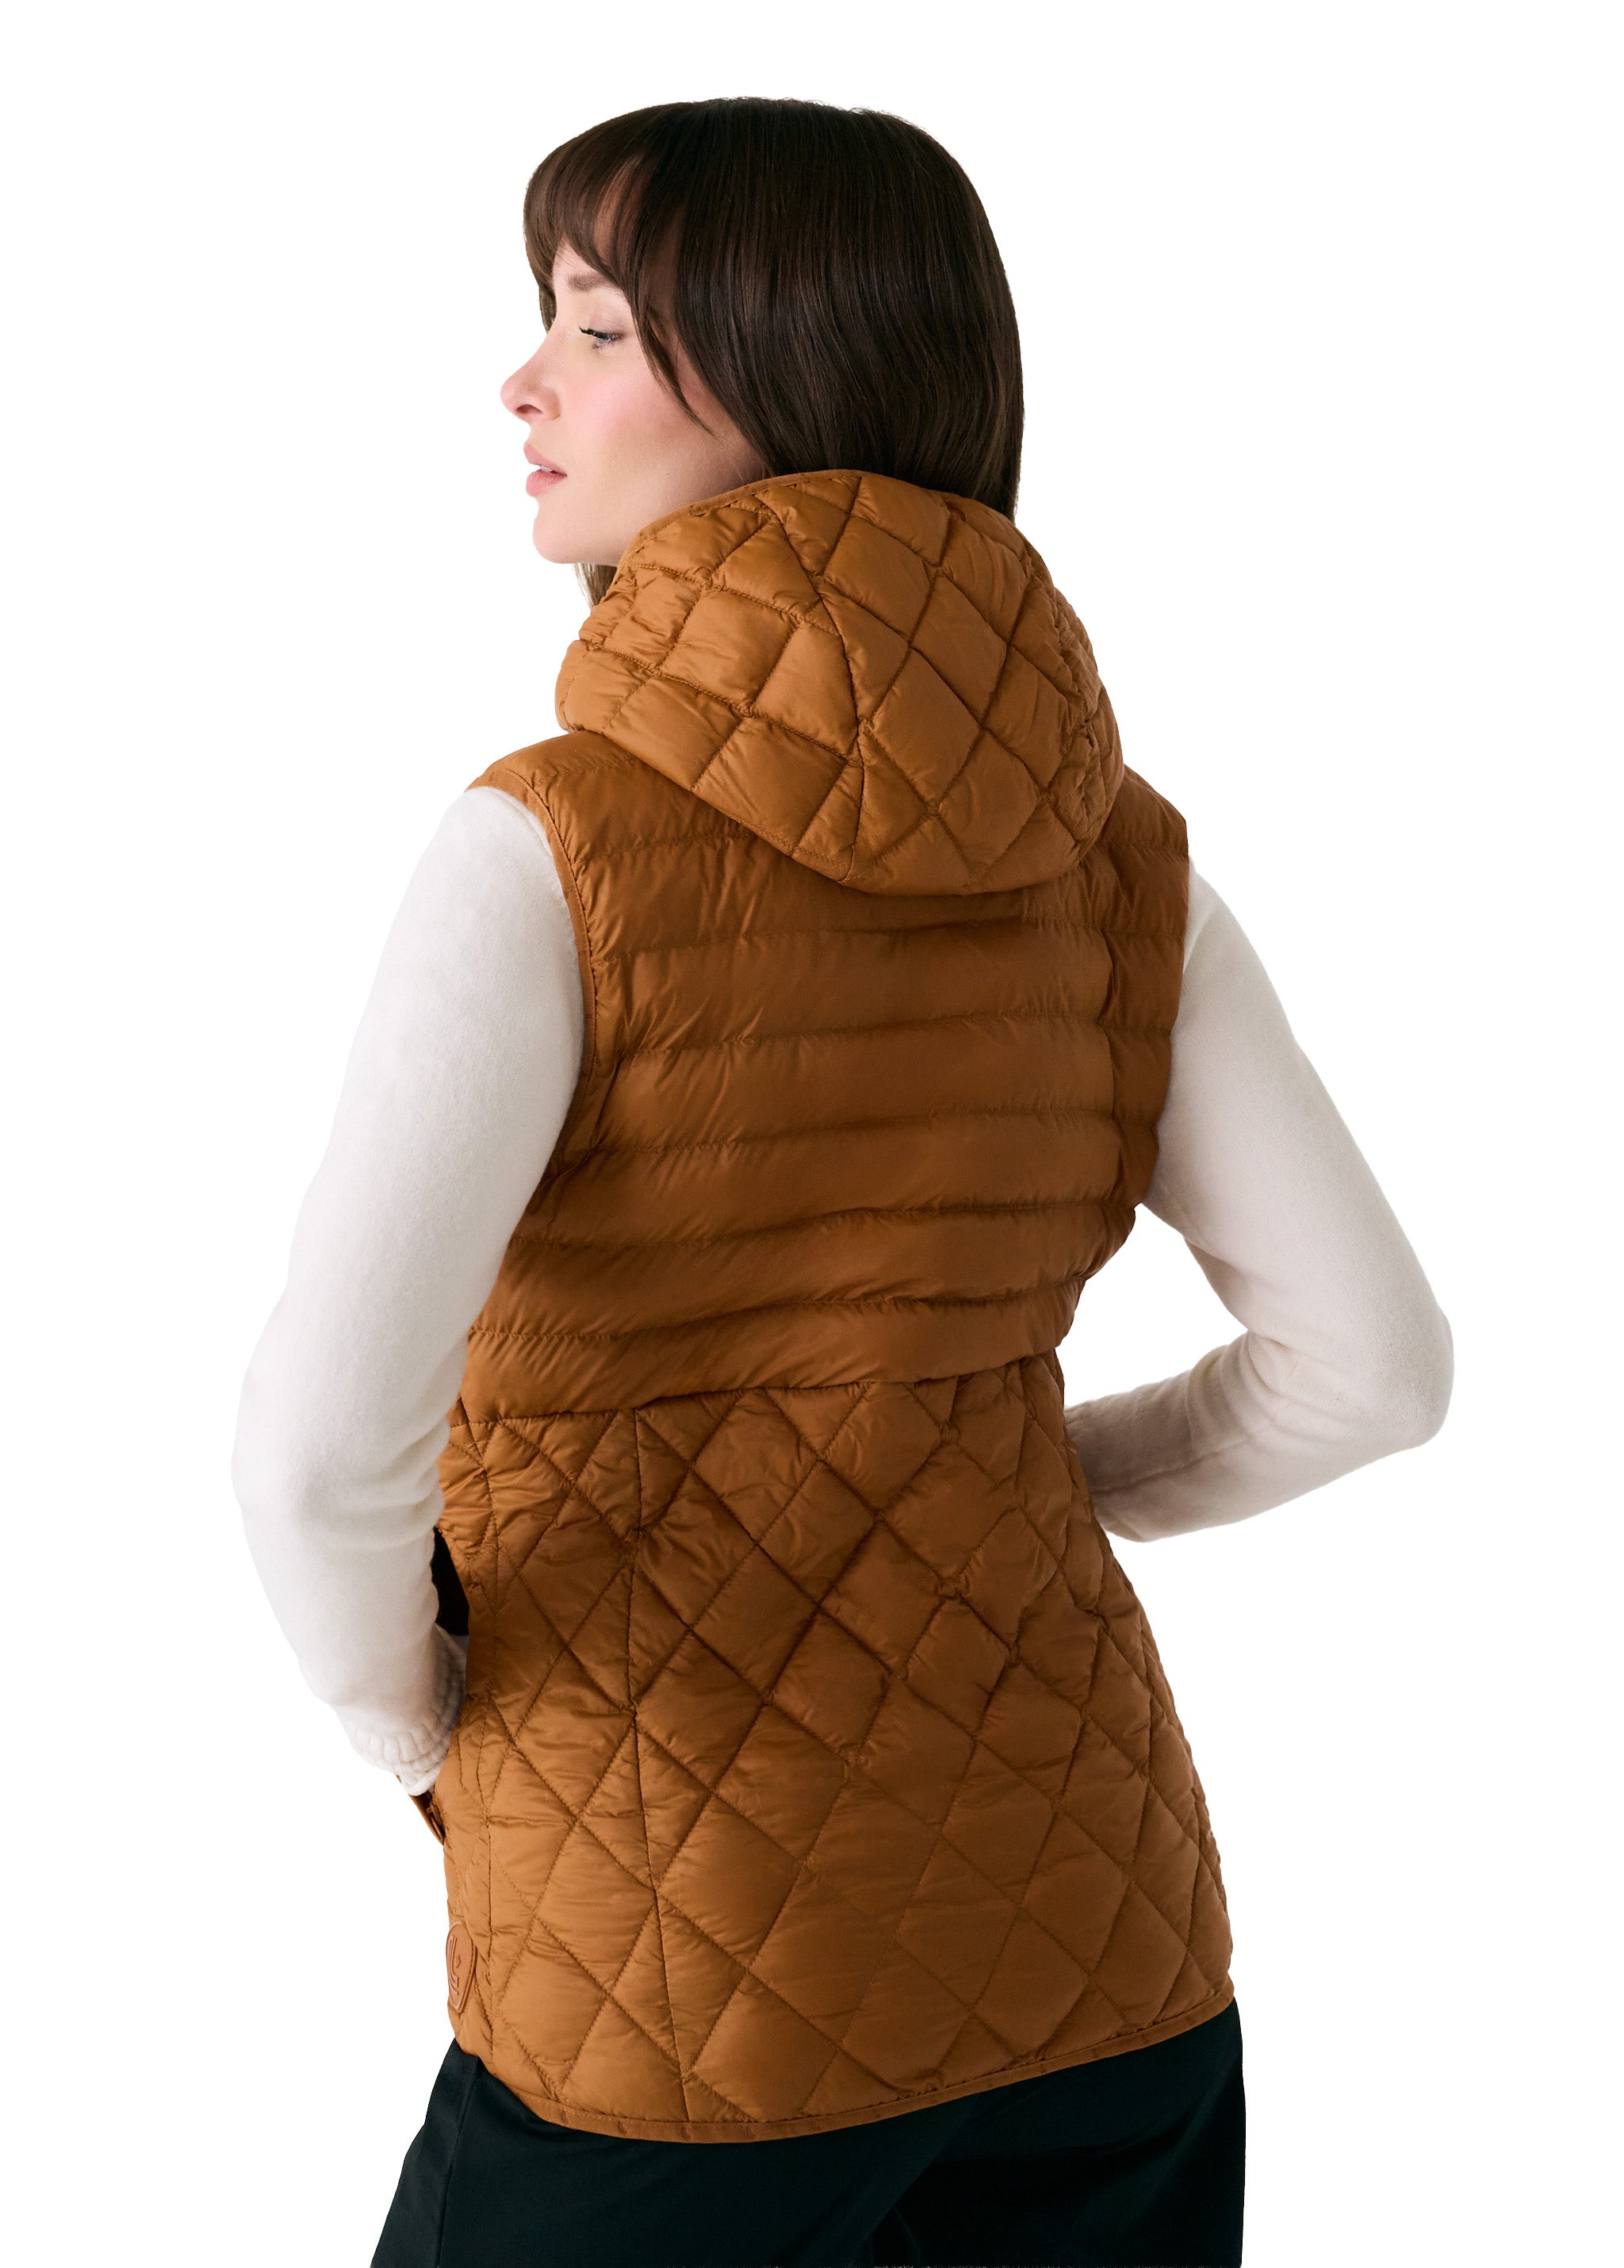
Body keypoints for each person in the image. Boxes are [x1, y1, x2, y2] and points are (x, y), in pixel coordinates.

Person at [231, 98, 1453, 2268]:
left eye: (593, 329)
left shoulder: (547, 849)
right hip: (1106, 1956)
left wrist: (410, 1722)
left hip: (680, 1999)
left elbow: (322, 1456)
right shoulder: (1124, 858)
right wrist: (1025, 1472)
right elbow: (1374, 1367)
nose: (521, 385)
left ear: (784, 375)